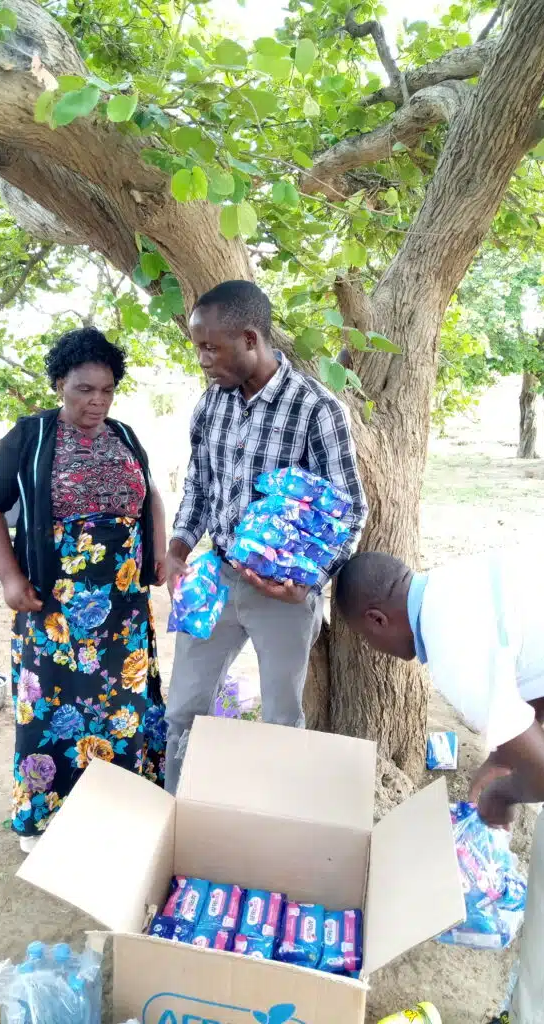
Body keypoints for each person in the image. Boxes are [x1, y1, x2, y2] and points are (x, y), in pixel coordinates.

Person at [336, 545, 544, 1024]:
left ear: (378, 620)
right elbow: (532, 675)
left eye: (363, 637)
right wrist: (504, 758)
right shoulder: (456, 583)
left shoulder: (453, 653)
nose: (371, 649)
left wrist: (501, 797)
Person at [164, 280, 368, 793]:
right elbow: (200, 483)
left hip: (283, 594)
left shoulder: (316, 410)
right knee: (184, 709)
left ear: (250, 339)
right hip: (215, 574)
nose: (203, 360)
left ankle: (274, 827)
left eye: (210, 347)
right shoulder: (211, 404)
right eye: (198, 348)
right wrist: (179, 546)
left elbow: (351, 510)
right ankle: (175, 817)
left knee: (281, 719)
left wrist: (311, 581)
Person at [0, 327, 167, 853]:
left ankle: (121, 811)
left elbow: (150, 494)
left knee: (119, 710)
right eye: (85, 389)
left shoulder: (125, 436)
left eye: (106, 390)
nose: (97, 401)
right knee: (51, 710)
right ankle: (46, 820)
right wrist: (10, 578)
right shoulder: (30, 437)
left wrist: (160, 549)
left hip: (123, 607)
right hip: (53, 604)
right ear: (60, 383)